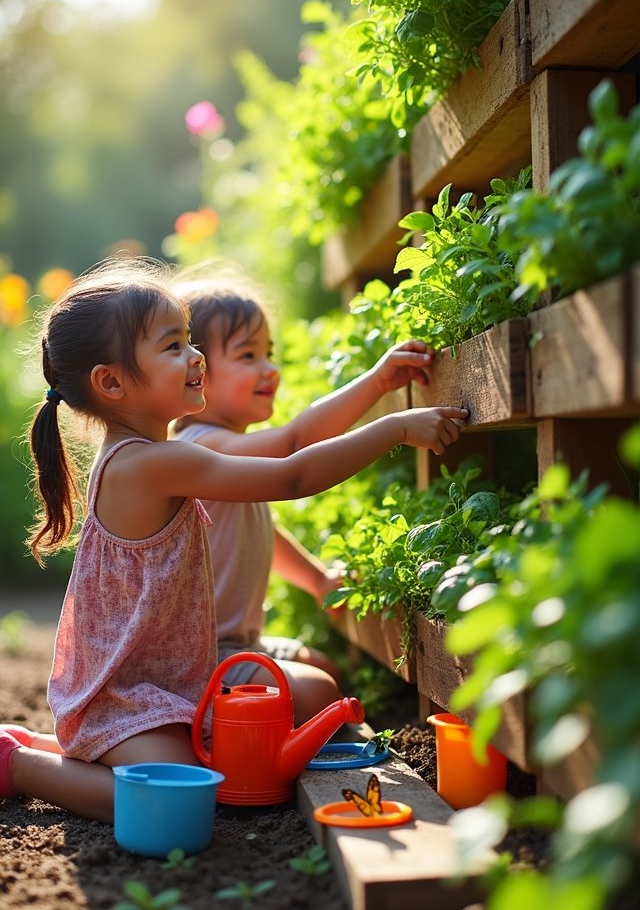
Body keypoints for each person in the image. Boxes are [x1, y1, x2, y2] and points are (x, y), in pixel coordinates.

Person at [0, 258, 467, 823]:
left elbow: (291, 450)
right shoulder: (147, 464)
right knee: (184, 797)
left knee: (210, 769)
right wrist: (394, 426)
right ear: (113, 382)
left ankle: (38, 747)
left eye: (190, 341)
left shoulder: (159, 456)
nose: (194, 357)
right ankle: (20, 764)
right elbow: (292, 472)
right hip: (128, 696)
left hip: (167, 682)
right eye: (173, 347)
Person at [171, 275, 437, 721]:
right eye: (248, 355)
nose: (269, 368)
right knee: (318, 694)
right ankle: (209, 740)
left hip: (237, 646)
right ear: (197, 371)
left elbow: (261, 533)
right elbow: (297, 442)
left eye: (269, 353)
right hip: (197, 664)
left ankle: (246, 729)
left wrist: (317, 580)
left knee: (321, 671)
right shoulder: (202, 447)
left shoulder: (227, 455)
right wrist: (379, 388)